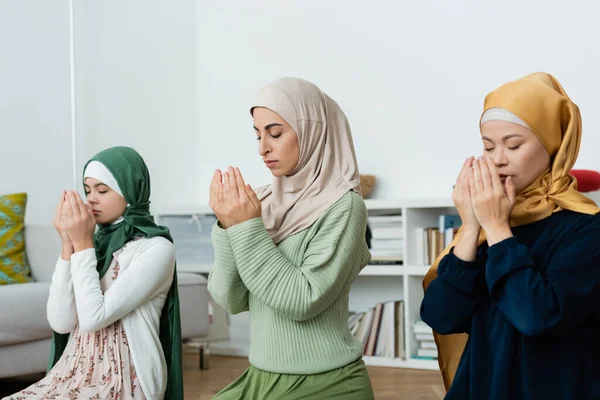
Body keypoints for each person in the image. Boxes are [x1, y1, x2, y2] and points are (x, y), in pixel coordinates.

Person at [421, 72, 600, 399]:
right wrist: (472, 227)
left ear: (553, 143)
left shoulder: (587, 228)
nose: (498, 159)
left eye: (513, 144)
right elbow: (441, 316)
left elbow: (537, 317)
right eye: (488, 147)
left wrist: (498, 230)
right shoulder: (487, 219)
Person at [208, 77, 375, 399]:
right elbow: (230, 299)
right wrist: (228, 227)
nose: (263, 148)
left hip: (328, 383)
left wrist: (245, 227)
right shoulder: (263, 204)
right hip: (261, 376)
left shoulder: (345, 206)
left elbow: (302, 300)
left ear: (314, 131)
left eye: (275, 133)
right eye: (257, 135)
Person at [4, 146, 183, 400]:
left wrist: (83, 244)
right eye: (88, 190)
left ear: (131, 189)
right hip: (73, 372)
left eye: (102, 190)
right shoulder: (90, 246)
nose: (92, 199)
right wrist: (68, 245)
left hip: (124, 380)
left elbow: (93, 318)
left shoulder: (156, 249)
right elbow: (61, 323)